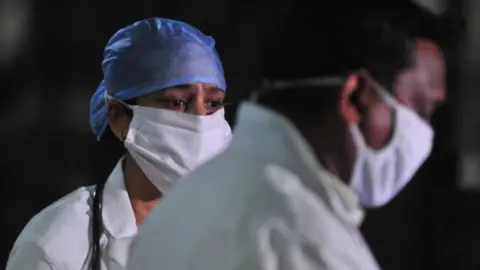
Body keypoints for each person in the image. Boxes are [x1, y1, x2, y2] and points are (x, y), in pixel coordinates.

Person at [126, 12, 445, 270]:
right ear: (355, 98)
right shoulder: (302, 241)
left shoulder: (184, 203)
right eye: (421, 109)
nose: (424, 132)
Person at [6, 17, 231, 270]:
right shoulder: (58, 244)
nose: (200, 120)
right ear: (119, 118)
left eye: (213, 103)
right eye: (177, 102)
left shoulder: (246, 226)